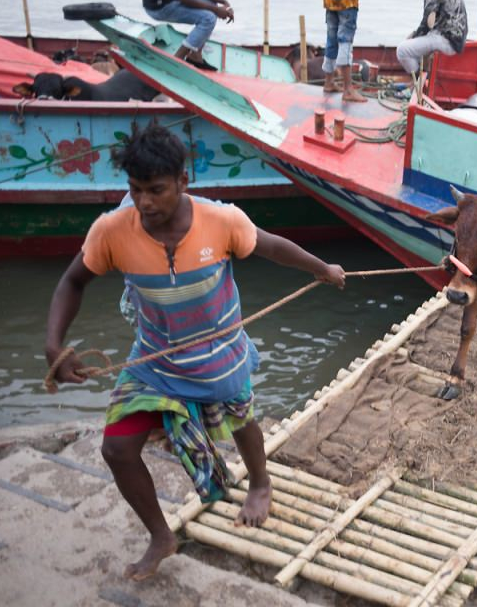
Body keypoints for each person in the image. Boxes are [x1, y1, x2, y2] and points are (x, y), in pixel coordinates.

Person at [44, 122, 345, 581]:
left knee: (242, 421)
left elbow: (272, 247)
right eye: (136, 190)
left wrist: (322, 268)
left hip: (220, 356)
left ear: (184, 183)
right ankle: (161, 536)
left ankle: (260, 483)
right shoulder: (112, 232)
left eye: (157, 190)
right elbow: (72, 282)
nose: (145, 203)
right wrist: (54, 345)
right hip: (155, 361)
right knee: (117, 449)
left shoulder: (222, 221)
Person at [302, 0, 374, 103]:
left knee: (331, 41)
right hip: (348, 1)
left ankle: (329, 82)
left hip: (331, 0)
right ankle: (348, 90)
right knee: (345, 43)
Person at [142, 0, 233, 71]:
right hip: (158, 7)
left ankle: (195, 55)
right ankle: (177, 59)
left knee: (212, 5)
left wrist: (224, 2)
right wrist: (217, 10)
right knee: (209, 18)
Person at [397, 0, 468, 75]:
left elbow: (427, 24)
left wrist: (414, 36)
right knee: (417, 41)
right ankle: (425, 75)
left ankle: (419, 81)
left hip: (447, 41)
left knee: (402, 50)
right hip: (457, 40)